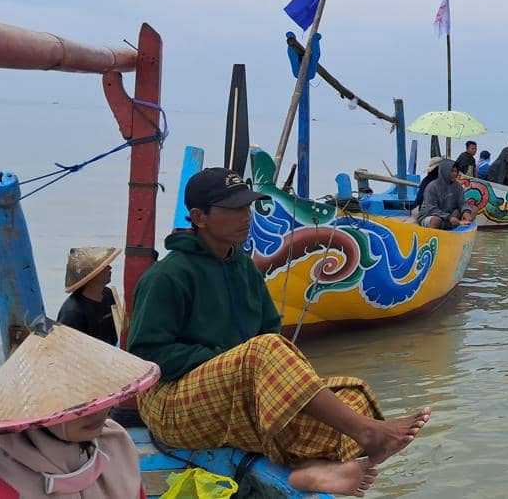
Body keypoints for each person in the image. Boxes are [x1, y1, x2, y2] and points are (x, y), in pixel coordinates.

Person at [127, 168, 431, 497]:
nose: (246, 216)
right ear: (200, 217)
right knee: (265, 350)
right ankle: (368, 435)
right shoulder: (168, 276)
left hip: (235, 396)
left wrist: (261, 377)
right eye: (233, 209)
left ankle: (309, 469)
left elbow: (269, 329)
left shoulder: (244, 267)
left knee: (352, 396)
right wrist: (228, 363)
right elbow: (147, 356)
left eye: (247, 207)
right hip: (172, 406)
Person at [0, 320, 160, 498]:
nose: (98, 411)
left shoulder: (117, 443)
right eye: (76, 401)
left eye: (98, 393)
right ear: (37, 406)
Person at [56, 246, 121, 346]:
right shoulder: (72, 313)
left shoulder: (108, 294)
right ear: (92, 276)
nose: (110, 267)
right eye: (104, 266)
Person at [417, 159, 475, 229]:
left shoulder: (458, 186)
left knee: (473, 209)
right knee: (436, 220)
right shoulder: (432, 186)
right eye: (452, 171)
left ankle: (462, 232)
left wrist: (466, 211)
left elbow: (462, 202)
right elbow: (431, 209)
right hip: (429, 215)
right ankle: (431, 238)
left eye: (456, 171)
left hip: (448, 214)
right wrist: (449, 217)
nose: (455, 174)